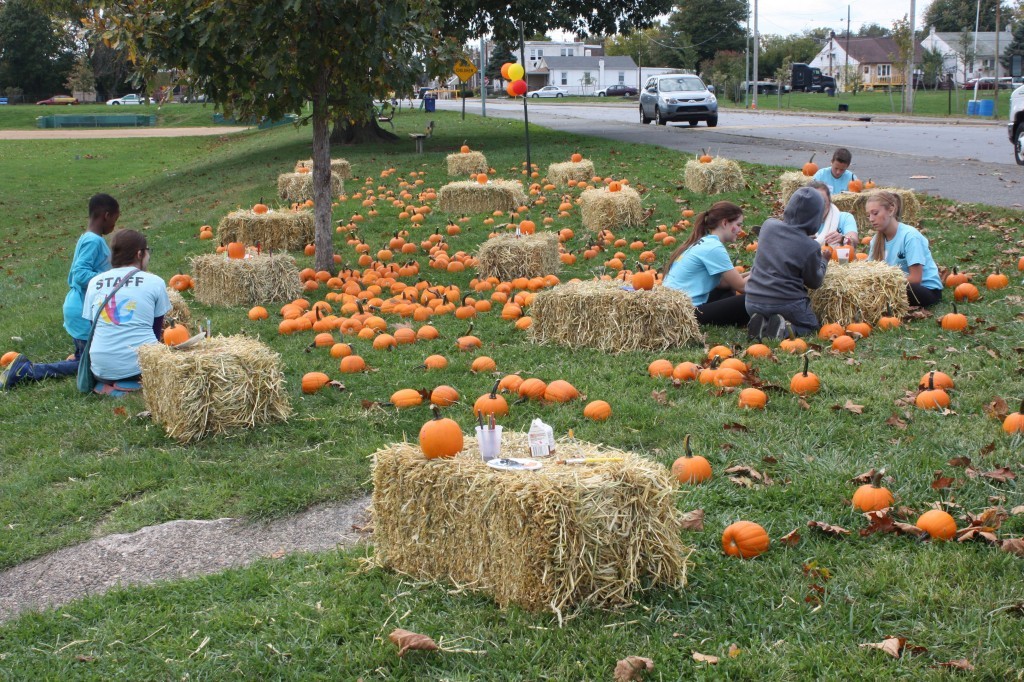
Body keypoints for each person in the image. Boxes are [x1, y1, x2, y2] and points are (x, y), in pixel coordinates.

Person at [1, 194, 118, 391]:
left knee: (94, 354)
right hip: (82, 310)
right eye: (115, 219)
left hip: (79, 307)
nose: (115, 225)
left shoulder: (88, 238)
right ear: (106, 216)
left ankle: (79, 353)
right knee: (88, 366)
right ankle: (27, 370)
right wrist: (109, 279)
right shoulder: (93, 241)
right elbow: (79, 274)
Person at [83, 229, 172, 397]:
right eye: (147, 251)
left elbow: (92, 329)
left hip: (99, 368)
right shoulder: (155, 282)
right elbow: (156, 330)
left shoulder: (94, 283)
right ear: (139, 254)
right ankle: (128, 387)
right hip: (138, 366)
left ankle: (108, 385)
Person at [745, 187, 829, 339]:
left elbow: (785, 244)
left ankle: (762, 324)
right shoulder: (810, 247)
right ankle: (783, 331)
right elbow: (815, 282)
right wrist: (824, 260)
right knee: (811, 325)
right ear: (816, 218)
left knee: (768, 314)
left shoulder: (768, 226)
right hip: (785, 304)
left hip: (752, 301)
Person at [661, 201, 750, 327]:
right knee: (750, 299)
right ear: (725, 223)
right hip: (686, 315)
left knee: (728, 290)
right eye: (738, 225)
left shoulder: (704, 242)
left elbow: (724, 284)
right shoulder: (713, 248)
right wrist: (767, 272)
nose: (740, 230)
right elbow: (742, 287)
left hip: (673, 310)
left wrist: (752, 273)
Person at [866, 190, 943, 307]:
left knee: (904, 289)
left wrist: (884, 285)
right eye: (868, 215)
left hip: (923, 290)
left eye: (875, 213)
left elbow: (916, 278)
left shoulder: (910, 236)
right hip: (892, 286)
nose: (871, 219)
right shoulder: (875, 240)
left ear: (891, 210)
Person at [807, 180, 858, 247]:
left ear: (829, 200)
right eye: (815, 202)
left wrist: (843, 239)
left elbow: (854, 242)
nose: (820, 206)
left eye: (823, 201)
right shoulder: (800, 221)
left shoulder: (845, 217)